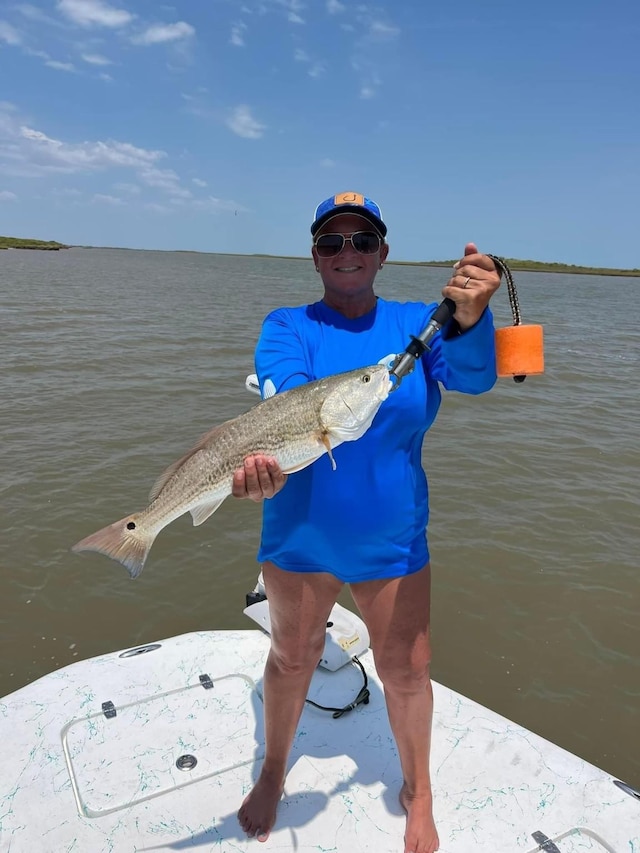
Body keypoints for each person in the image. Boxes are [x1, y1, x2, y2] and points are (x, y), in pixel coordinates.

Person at [232, 191, 501, 853]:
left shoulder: (420, 325)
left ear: (383, 252)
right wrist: (261, 460)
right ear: (315, 255)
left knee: (406, 673)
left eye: (360, 241)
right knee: (290, 658)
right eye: (332, 242)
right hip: (298, 534)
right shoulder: (287, 326)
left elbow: (476, 380)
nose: (346, 253)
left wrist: (471, 318)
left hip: (392, 537)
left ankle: (420, 790)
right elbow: (283, 391)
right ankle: (273, 767)